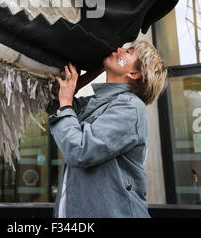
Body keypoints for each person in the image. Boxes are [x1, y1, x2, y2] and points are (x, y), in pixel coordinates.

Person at [47, 40, 167, 218]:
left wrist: (66, 104)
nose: (119, 50)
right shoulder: (100, 104)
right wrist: (96, 69)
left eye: (128, 52)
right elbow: (52, 101)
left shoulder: (130, 108)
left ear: (134, 73)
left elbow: (79, 150)